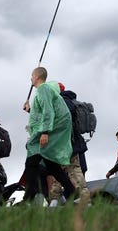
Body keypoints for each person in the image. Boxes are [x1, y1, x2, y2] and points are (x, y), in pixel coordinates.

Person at [22, 67, 75, 203]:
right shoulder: (44, 91)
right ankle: (74, 195)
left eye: (32, 75)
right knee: (52, 166)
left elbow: (48, 112)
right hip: (52, 128)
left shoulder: (43, 89)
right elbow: (41, 114)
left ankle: (29, 199)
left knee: (31, 163)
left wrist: (45, 132)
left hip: (50, 130)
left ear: (37, 76)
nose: (30, 78)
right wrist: (30, 110)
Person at [48, 84, 90, 205]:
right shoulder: (71, 102)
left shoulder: (62, 102)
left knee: (74, 170)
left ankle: (84, 198)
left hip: (66, 143)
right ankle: (55, 199)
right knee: (60, 171)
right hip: (71, 142)